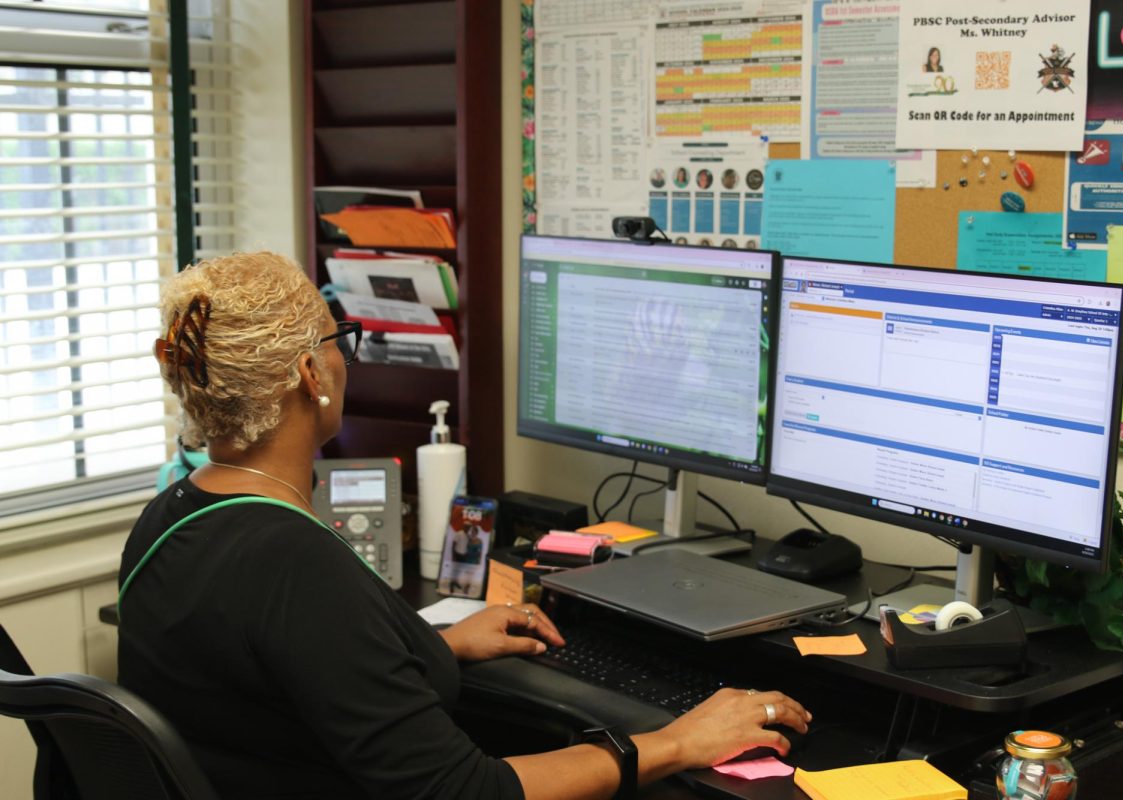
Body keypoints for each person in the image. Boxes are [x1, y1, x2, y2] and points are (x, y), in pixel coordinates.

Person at [119, 251, 812, 800]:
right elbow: (465, 788)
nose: (342, 358)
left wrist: (437, 646)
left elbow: (282, 684)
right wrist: (678, 743)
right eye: (339, 341)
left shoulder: (170, 517)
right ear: (310, 374)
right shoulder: (294, 563)